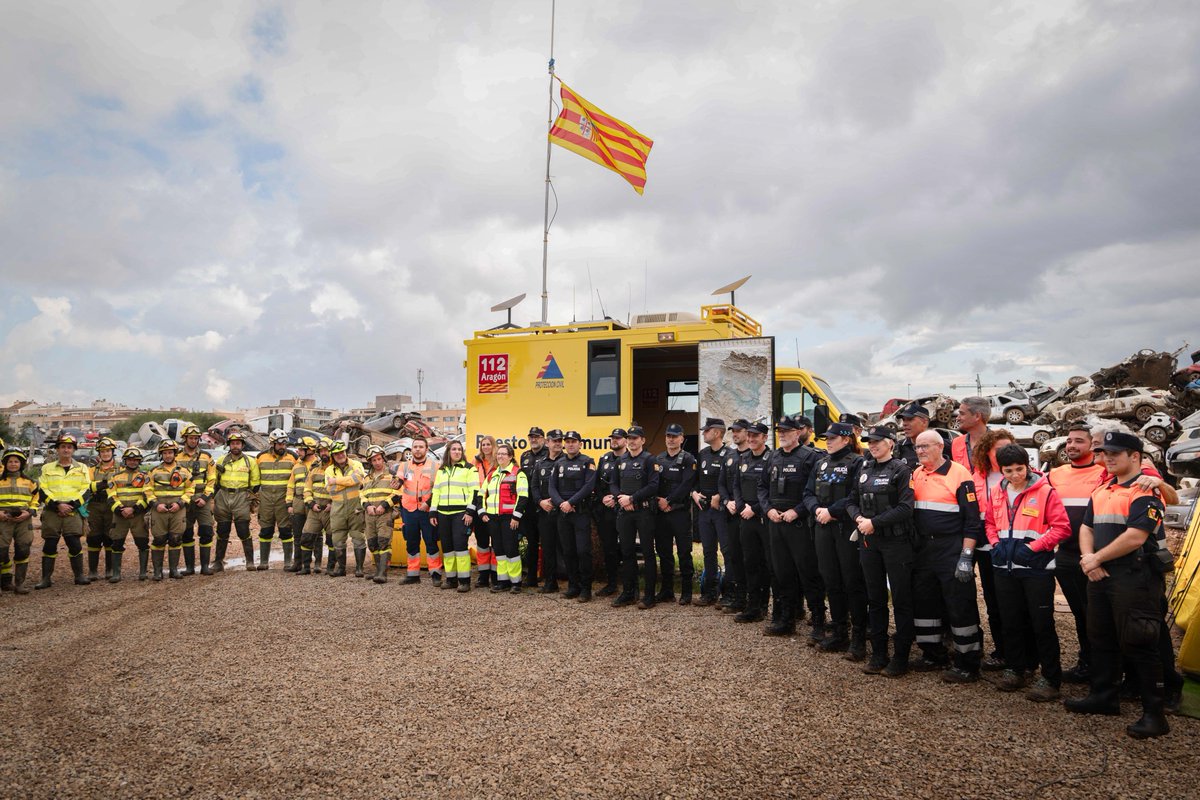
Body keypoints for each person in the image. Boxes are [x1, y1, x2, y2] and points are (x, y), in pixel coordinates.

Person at [1066, 431, 1172, 739]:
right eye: (1104, 453)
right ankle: (1104, 696)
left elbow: (1136, 537)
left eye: (1115, 453)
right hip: (1100, 574)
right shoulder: (1103, 489)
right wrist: (1089, 559)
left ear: (1135, 457)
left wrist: (1095, 559)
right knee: (1101, 636)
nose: (1107, 458)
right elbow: (1086, 526)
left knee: (1139, 639)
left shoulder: (1145, 492)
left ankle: (1155, 713)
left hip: (1134, 576)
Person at [984, 443, 1071, 701]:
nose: (1014, 475)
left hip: (1035, 569)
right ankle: (1016, 669)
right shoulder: (997, 492)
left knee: (1041, 624)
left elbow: (1062, 528)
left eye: (1019, 469)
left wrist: (1034, 548)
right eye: (1008, 470)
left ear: (1028, 466)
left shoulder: (1045, 492)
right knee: (1011, 621)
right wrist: (996, 545)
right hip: (1004, 567)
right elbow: (989, 522)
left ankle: (1050, 677)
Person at [910, 430, 985, 683]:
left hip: (951, 549)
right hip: (924, 551)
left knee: (959, 604)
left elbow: (972, 521)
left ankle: (968, 662)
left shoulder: (959, 474)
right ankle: (932, 654)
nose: (919, 451)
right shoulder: (916, 474)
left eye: (925, 446)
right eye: (917, 447)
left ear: (940, 447)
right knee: (925, 602)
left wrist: (966, 555)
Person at [847, 426, 916, 677]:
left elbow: (905, 508)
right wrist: (859, 519)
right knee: (875, 598)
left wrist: (873, 523)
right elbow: (851, 501)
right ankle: (878, 654)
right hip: (869, 543)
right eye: (869, 442)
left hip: (896, 543)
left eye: (877, 442)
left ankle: (900, 657)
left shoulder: (901, 469)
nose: (872, 446)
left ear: (890, 443)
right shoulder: (864, 469)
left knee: (900, 600)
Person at [1047, 422, 1107, 683]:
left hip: (1099, 555)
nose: (1072, 445)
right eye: (1069, 441)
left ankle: (1109, 669)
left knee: (1100, 614)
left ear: (1092, 445)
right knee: (1080, 613)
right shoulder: (1056, 474)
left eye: (1079, 441)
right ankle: (1087, 663)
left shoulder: (1105, 471)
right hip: (1067, 553)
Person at [805, 421, 867, 657]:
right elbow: (808, 492)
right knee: (831, 580)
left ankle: (859, 638)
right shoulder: (821, 462)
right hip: (823, 527)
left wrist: (832, 511)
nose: (827, 441)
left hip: (845, 528)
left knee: (852, 581)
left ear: (846, 439)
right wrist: (817, 510)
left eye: (832, 438)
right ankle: (840, 632)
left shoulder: (857, 462)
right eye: (826, 438)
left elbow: (856, 494)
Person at [759, 415, 823, 640]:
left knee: (808, 574)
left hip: (799, 524)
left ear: (798, 433)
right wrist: (767, 510)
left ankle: (818, 623)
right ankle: (786, 620)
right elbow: (762, 488)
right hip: (776, 523)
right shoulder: (773, 457)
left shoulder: (809, 458)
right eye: (780, 431)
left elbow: (814, 491)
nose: (782, 434)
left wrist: (797, 511)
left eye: (787, 431)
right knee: (782, 573)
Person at [970, 428, 1018, 671]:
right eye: (997, 450)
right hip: (982, 545)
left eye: (1008, 448)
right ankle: (1001, 651)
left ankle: (1018, 656)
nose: (1003, 454)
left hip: (1009, 544)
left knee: (1010, 602)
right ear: (986, 452)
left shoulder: (1017, 475)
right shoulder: (977, 475)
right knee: (992, 600)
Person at [608, 424, 660, 608]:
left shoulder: (649, 460)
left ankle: (649, 596)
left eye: (635, 438)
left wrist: (631, 498)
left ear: (642, 440)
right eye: (629, 438)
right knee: (627, 552)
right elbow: (613, 483)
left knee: (647, 553)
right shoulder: (621, 460)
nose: (631, 441)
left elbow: (654, 486)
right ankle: (629, 593)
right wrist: (620, 497)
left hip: (643, 511)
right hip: (625, 512)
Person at [33, 433, 92, 590]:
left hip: (73, 511)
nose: (66, 450)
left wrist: (70, 505)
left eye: (69, 447)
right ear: (57, 449)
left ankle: (79, 576)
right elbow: (43, 490)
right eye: (63, 447)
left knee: (74, 543)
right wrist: (57, 505)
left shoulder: (82, 468)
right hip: (53, 512)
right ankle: (46, 579)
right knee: (50, 544)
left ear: (73, 450)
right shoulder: (46, 468)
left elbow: (86, 490)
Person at [731, 421, 772, 623]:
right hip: (745, 517)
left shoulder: (771, 458)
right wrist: (740, 507)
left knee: (767, 563)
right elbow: (736, 486)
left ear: (765, 437)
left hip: (762, 517)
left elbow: (771, 491)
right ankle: (753, 605)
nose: (752, 439)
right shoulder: (743, 458)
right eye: (750, 435)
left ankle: (765, 605)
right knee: (750, 562)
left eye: (756, 436)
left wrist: (754, 509)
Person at [551, 430, 598, 601]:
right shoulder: (559, 463)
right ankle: (573, 586)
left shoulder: (588, 462)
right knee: (568, 551)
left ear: (580, 444)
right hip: (564, 514)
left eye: (574, 441)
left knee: (583, 551)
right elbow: (552, 487)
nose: (570, 444)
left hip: (580, 513)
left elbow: (588, 487)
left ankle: (586, 589)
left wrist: (570, 502)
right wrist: (561, 503)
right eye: (568, 441)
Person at [654, 423, 697, 604]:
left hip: (679, 512)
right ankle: (667, 590)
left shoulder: (688, 459)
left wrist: (669, 501)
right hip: (662, 513)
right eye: (668, 436)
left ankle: (686, 593)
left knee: (684, 552)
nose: (671, 439)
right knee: (663, 552)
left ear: (682, 438)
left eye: (674, 436)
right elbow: (653, 483)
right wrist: (660, 502)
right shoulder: (659, 458)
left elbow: (686, 484)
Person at [693, 418, 732, 607]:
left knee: (727, 551)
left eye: (706, 430)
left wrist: (720, 495)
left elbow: (733, 483)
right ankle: (710, 592)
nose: (703, 433)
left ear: (717, 433)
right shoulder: (703, 454)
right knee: (708, 551)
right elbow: (695, 480)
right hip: (704, 509)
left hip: (721, 511)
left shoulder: (729, 455)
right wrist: (693, 493)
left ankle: (729, 593)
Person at [430, 441, 477, 592]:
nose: (457, 452)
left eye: (459, 449)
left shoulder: (469, 469)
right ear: (448, 452)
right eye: (454, 449)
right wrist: (433, 511)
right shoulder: (442, 470)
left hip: (461, 514)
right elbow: (436, 492)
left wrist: (470, 511)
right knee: (448, 548)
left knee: (460, 547)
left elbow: (475, 492)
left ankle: (464, 581)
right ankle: (451, 579)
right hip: (443, 513)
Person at [480, 443, 528, 593]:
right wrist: (482, 512)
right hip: (493, 518)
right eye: (498, 454)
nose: (500, 456)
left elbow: (523, 497)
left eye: (503, 454)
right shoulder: (492, 474)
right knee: (499, 549)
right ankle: (503, 581)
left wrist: (516, 516)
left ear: (511, 456)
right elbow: (481, 494)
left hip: (509, 518)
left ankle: (516, 582)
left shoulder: (518, 473)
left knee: (511, 549)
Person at [146, 439, 194, 581]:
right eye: (165, 453)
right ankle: (157, 572)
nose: (168, 455)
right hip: (159, 509)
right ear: (161, 454)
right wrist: (156, 504)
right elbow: (147, 490)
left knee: (175, 538)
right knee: (159, 539)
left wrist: (180, 503)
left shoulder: (184, 472)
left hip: (177, 509)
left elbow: (190, 489)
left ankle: (173, 570)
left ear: (175, 454)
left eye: (170, 453)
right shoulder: (154, 471)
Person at [213, 430, 260, 573]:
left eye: (238, 443)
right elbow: (215, 481)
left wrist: (251, 499)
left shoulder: (250, 461)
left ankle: (250, 562)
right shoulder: (221, 460)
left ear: (242, 445)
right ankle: (218, 562)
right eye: (233, 443)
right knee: (222, 529)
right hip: (223, 495)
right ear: (229, 445)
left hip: (241, 497)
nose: (235, 446)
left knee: (243, 529)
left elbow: (255, 483)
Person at [397, 436, 441, 585]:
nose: (418, 449)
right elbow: (398, 481)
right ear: (411, 449)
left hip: (427, 511)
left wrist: (428, 503)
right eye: (415, 447)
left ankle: (435, 572)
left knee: (431, 541)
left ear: (426, 449)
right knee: (411, 542)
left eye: (421, 447)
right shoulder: (404, 466)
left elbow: (439, 489)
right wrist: (395, 482)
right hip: (409, 510)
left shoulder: (435, 466)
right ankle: (413, 574)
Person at [718, 419, 751, 613]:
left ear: (748, 433)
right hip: (731, 513)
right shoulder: (729, 456)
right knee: (734, 556)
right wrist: (725, 501)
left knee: (751, 558)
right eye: (733, 431)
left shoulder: (754, 455)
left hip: (748, 513)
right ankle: (738, 597)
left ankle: (756, 601)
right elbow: (721, 483)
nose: (735, 434)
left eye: (739, 431)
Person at [104, 446, 151, 583]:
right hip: (120, 515)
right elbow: (111, 496)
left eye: (135, 460)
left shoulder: (145, 477)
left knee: (142, 542)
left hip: (138, 515)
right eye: (130, 460)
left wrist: (134, 509)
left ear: (139, 461)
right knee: (116, 542)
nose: (132, 462)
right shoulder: (115, 477)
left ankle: (143, 572)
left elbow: (147, 496)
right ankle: (116, 574)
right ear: (125, 461)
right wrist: (121, 510)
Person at [255, 429, 298, 571]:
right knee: (265, 530)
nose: (282, 446)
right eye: (279, 444)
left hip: (283, 498)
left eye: (284, 443)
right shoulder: (261, 457)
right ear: (272, 443)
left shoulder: (293, 457)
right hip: (266, 498)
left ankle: (287, 562)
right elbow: (255, 479)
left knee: (286, 530)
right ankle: (263, 562)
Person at [178, 425, 216, 577]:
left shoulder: (207, 457)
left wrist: (205, 497)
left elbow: (212, 480)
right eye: (191, 438)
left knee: (206, 532)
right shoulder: (176, 457)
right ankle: (189, 567)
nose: (193, 441)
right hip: (185, 501)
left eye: (196, 438)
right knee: (186, 533)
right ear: (185, 439)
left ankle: (205, 567)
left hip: (202, 499)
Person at [325, 441, 366, 578]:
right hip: (338, 510)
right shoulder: (329, 470)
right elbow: (330, 489)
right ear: (333, 455)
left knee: (358, 537)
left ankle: (359, 568)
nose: (340, 455)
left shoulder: (357, 464)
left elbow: (358, 478)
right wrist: (349, 481)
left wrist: (336, 481)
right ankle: (341, 568)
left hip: (355, 508)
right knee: (337, 539)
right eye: (336, 453)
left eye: (342, 452)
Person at [594, 428, 627, 596]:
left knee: (627, 548)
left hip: (625, 509)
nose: (614, 441)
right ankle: (612, 584)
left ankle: (630, 587)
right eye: (613, 438)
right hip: (606, 510)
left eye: (618, 438)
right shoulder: (604, 458)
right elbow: (597, 484)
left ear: (625, 440)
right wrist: (602, 498)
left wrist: (615, 497)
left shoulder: (630, 457)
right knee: (609, 548)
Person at [0, 447, 38, 594]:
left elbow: (36, 499)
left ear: (22, 463)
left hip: (23, 520)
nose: (13, 464)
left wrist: (29, 512)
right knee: (1, 552)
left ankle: (19, 584)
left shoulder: (30, 482)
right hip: (3, 520)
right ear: (5, 463)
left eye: (16, 461)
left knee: (23, 550)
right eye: (10, 461)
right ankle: (4, 583)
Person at [531, 430, 565, 593]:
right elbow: (534, 486)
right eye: (554, 440)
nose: (557, 443)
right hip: (545, 512)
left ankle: (573, 583)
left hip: (563, 512)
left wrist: (559, 502)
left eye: (560, 440)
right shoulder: (540, 463)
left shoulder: (567, 461)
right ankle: (550, 582)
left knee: (567, 547)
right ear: (547, 443)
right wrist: (540, 502)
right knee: (548, 548)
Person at [361, 445, 399, 584]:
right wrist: (367, 506)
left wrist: (384, 505)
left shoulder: (392, 475)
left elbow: (398, 493)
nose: (377, 462)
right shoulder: (367, 478)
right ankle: (377, 571)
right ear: (370, 462)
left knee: (384, 542)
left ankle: (383, 573)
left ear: (383, 458)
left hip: (385, 514)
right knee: (372, 543)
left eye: (379, 459)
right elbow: (362, 494)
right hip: (370, 514)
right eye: (374, 460)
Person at [298, 438, 335, 575]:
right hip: (315, 510)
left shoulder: (336, 469)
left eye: (326, 450)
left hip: (331, 510)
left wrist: (332, 503)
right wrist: (311, 503)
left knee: (332, 540)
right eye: (321, 451)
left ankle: (331, 568)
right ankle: (306, 567)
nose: (324, 453)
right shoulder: (314, 469)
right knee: (306, 537)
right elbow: (307, 489)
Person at [84, 437, 119, 581]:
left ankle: (110, 569)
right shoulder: (91, 470)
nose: (105, 454)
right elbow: (86, 485)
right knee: (93, 537)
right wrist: (103, 484)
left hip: (111, 506)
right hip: (94, 506)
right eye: (102, 451)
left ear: (113, 452)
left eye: (108, 451)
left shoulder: (120, 469)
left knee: (110, 537)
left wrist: (101, 485)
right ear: (99, 453)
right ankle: (93, 571)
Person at [519, 427, 548, 586]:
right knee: (531, 543)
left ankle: (549, 577)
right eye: (531, 437)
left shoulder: (548, 455)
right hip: (529, 507)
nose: (533, 440)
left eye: (537, 437)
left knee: (549, 543)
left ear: (543, 439)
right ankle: (531, 578)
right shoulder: (525, 456)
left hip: (544, 505)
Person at [285, 436, 319, 573]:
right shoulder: (296, 466)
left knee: (315, 534)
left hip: (313, 502)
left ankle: (317, 564)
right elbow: (290, 486)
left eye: (301, 449)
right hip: (298, 502)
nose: (298, 452)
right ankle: (298, 563)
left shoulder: (318, 464)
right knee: (298, 534)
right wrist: (289, 504)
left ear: (309, 451)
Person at [472, 436, 499, 587]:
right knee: (482, 542)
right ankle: (483, 575)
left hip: (494, 506)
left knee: (496, 543)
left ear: (493, 446)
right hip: (479, 506)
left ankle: (495, 575)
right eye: (483, 445)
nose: (486, 447)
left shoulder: (499, 461)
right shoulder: (475, 462)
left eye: (489, 444)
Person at [951, 396, 991, 469]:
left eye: (962, 414)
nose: (957, 418)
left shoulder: (999, 443)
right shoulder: (956, 443)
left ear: (977, 416)